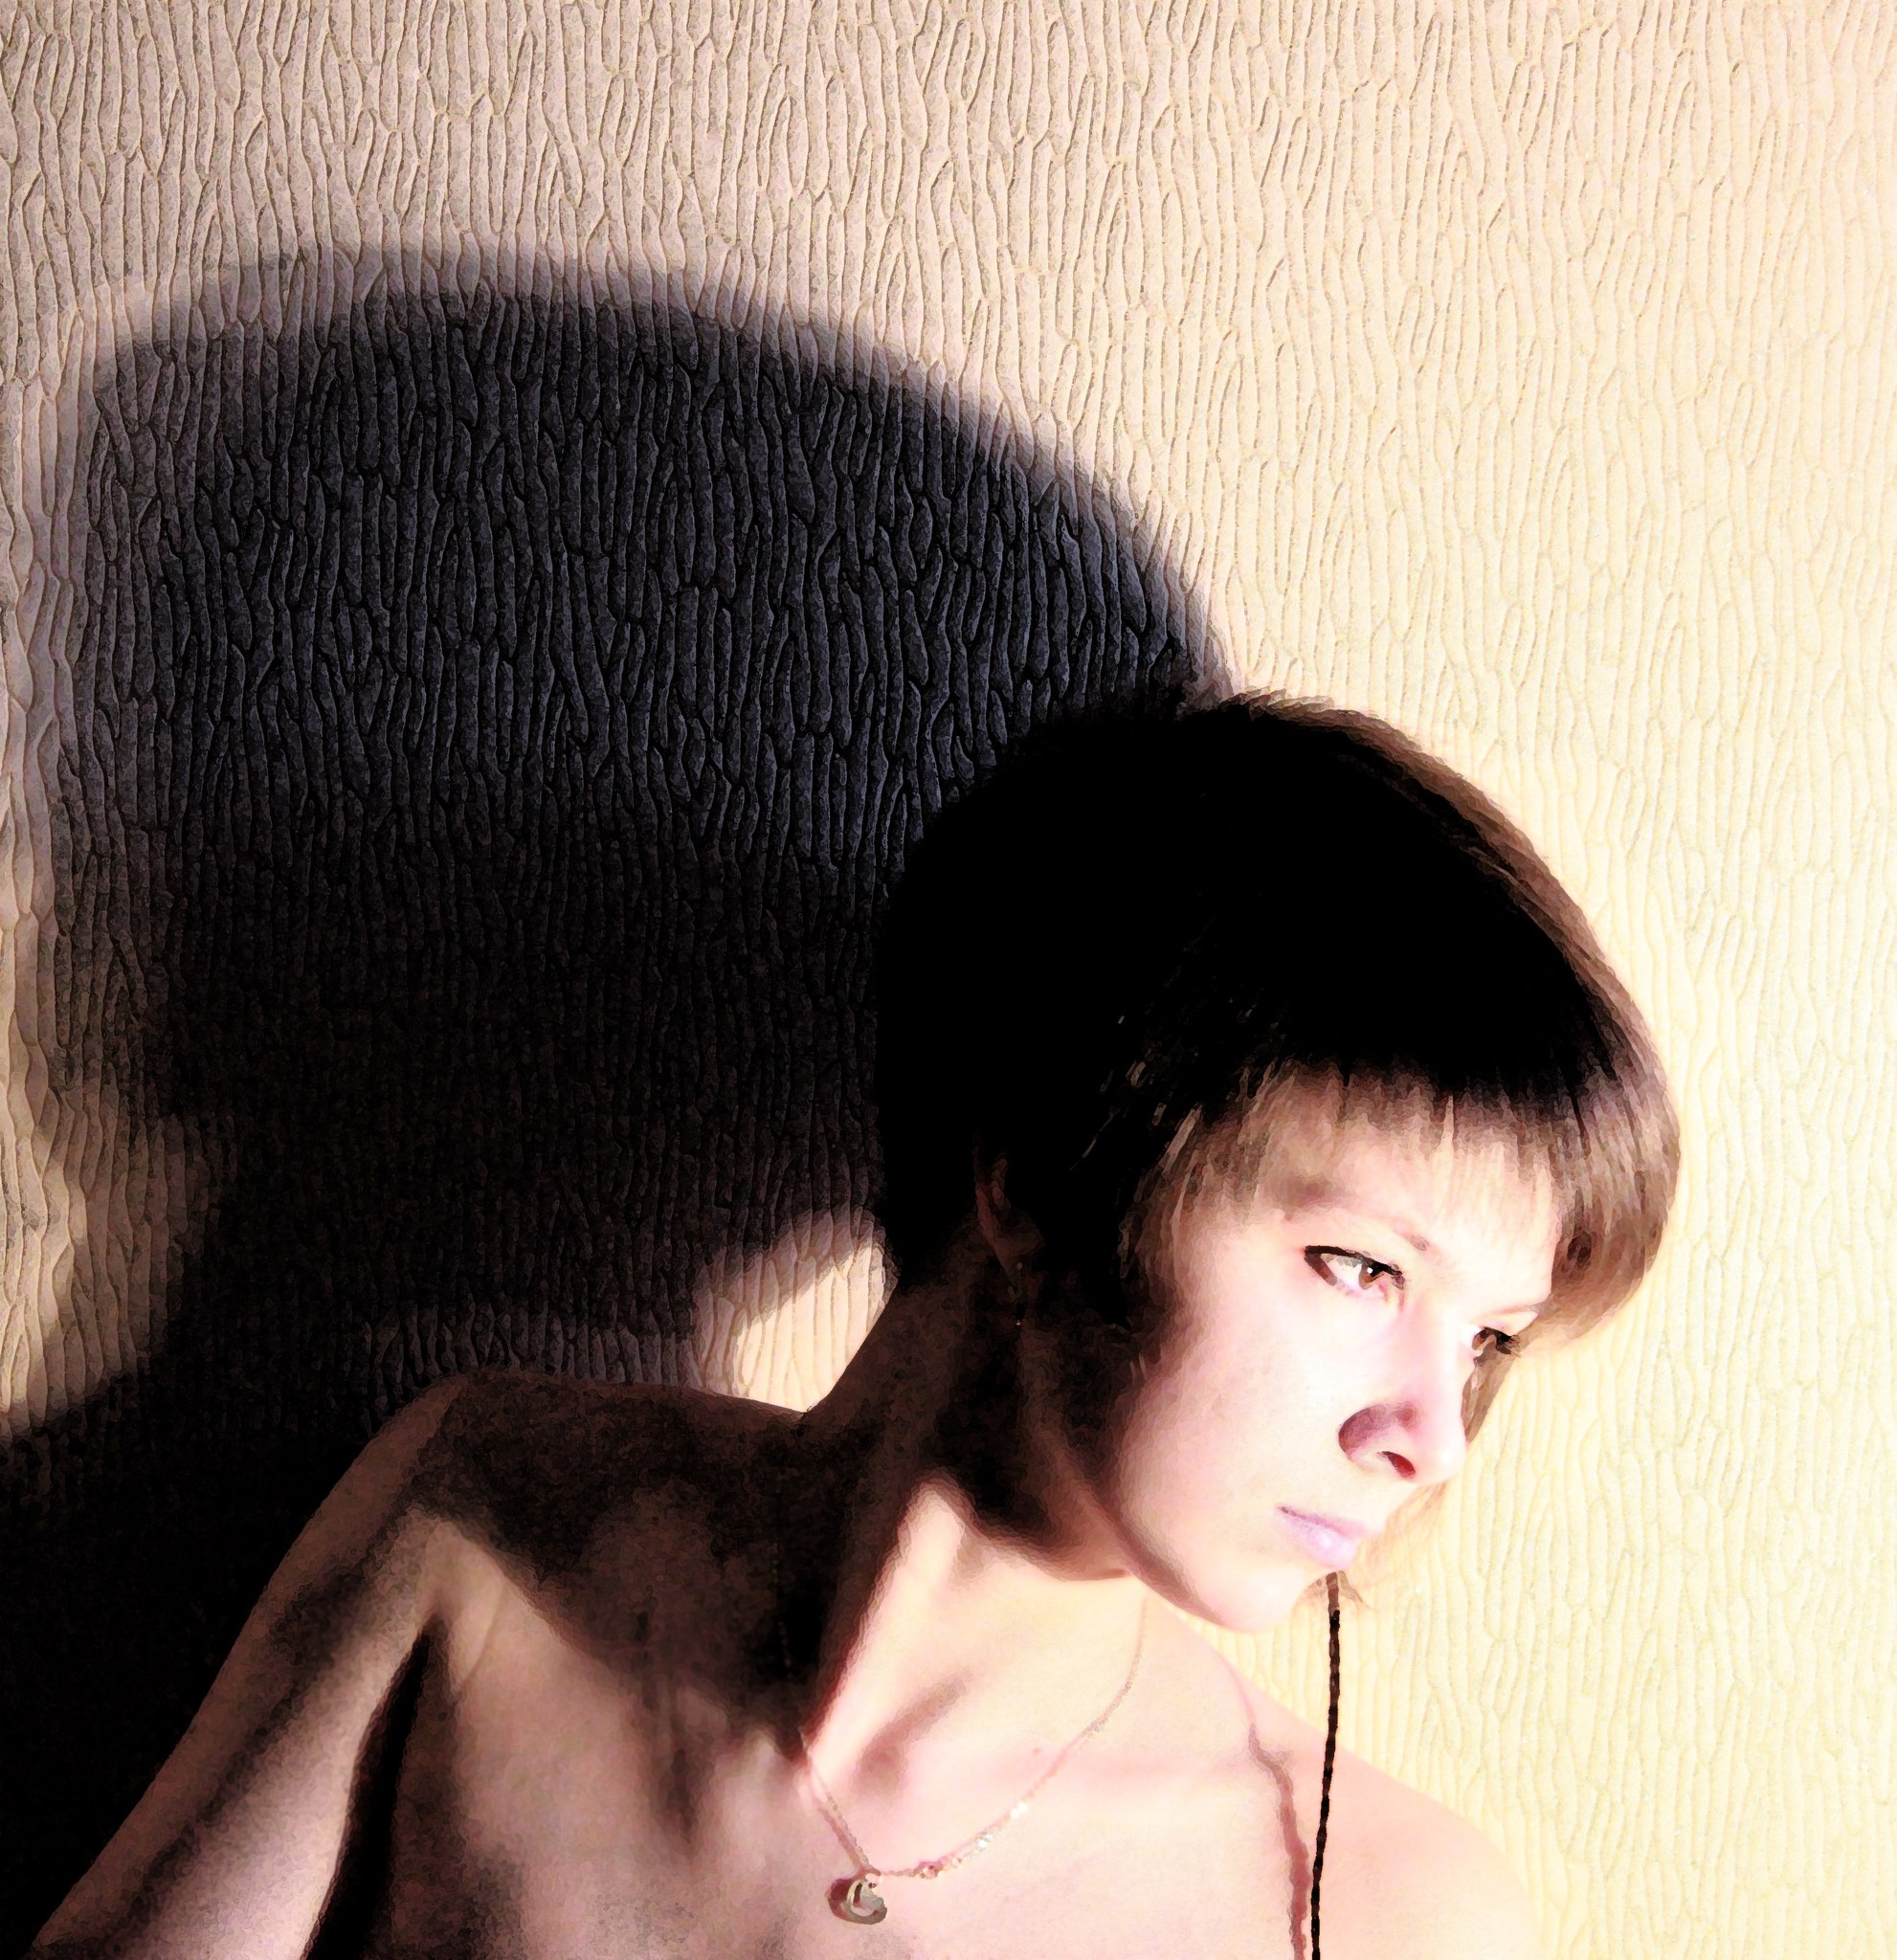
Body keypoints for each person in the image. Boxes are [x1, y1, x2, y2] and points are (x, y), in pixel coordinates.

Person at [30, 695, 1678, 1960]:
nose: (1431, 1438)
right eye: (1362, 1270)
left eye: (1489, 1339)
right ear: (1033, 1176)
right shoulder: (489, 1515)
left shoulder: (1383, 1910)